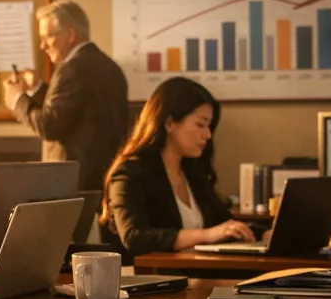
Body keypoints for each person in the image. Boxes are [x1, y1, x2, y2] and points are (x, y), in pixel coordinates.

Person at [101, 77, 258, 258]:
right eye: (200, 125)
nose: (207, 135)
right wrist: (206, 235)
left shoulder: (192, 171)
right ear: (169, 123)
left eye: (209, 126)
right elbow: (134, 237)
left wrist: (264, 234)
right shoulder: (130, 173)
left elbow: (223, 224)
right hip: (154, 278)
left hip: (199, 273)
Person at [3, 0, 128, 192]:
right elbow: (72, 110)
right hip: (103, 180)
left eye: (47, 37)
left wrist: (17, 99)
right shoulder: (109, 66)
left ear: (70, 34)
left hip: (73, 184)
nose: (42, 46)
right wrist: (36, 89)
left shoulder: (71, 70)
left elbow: (50, 125)